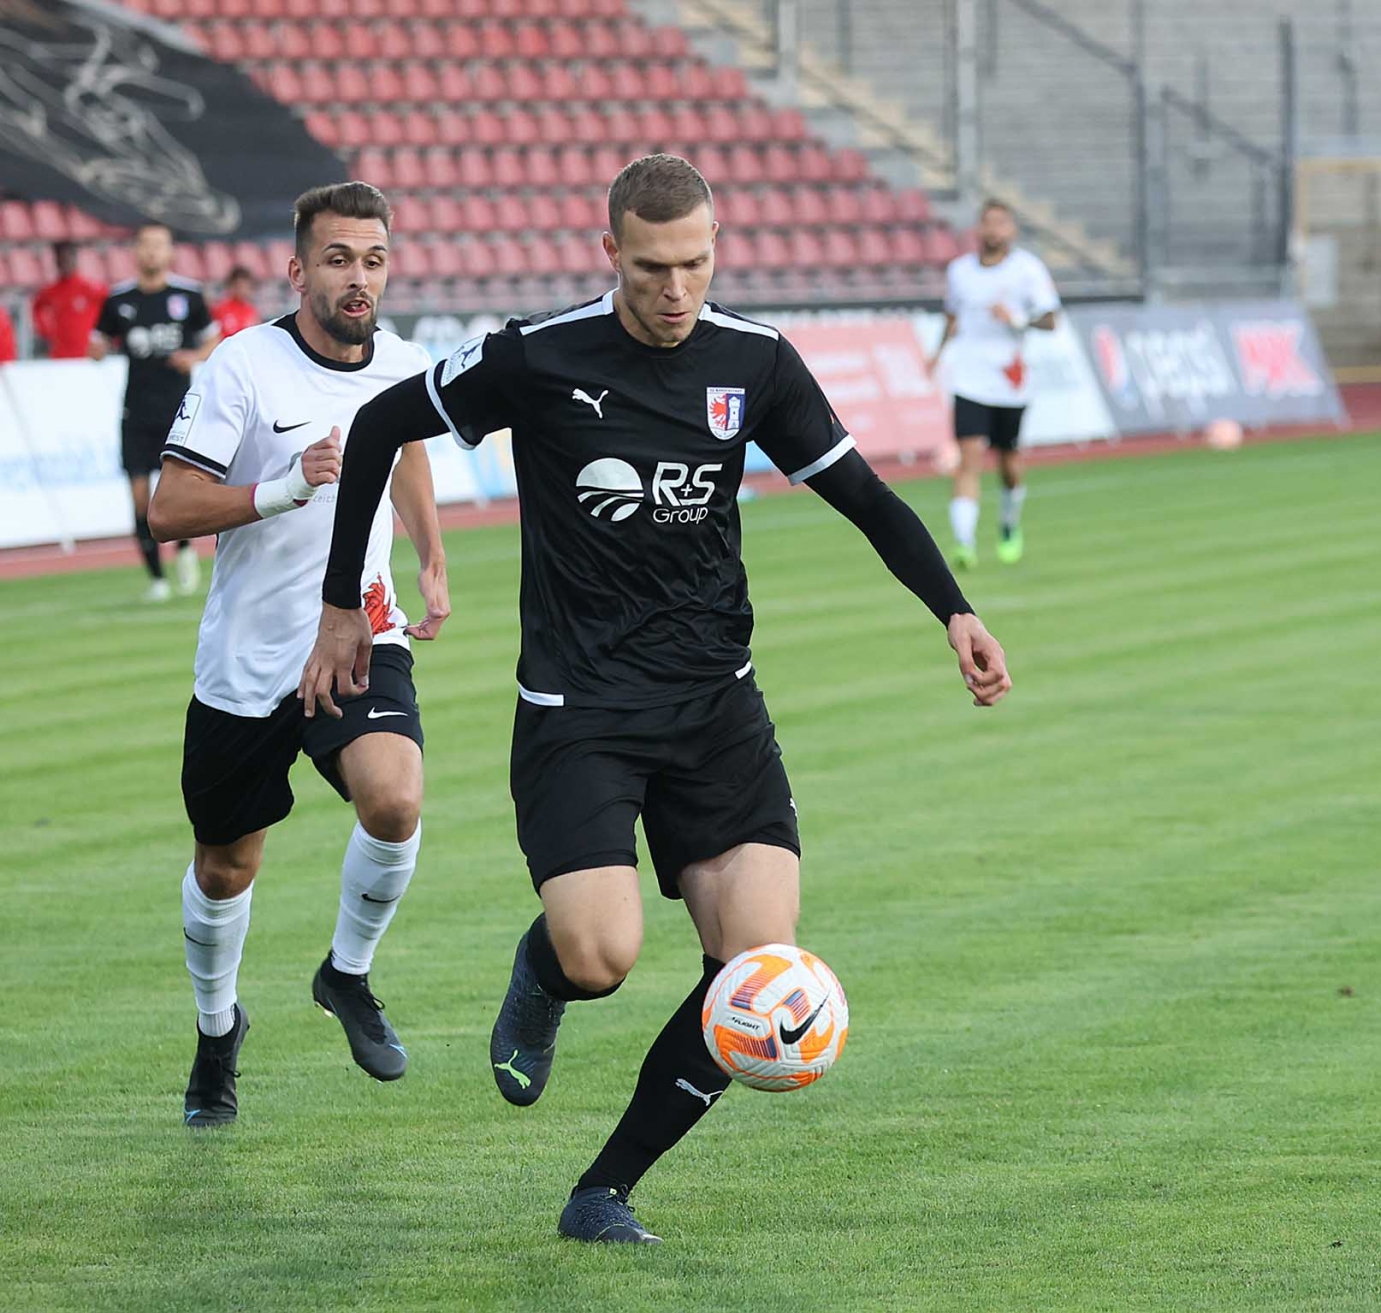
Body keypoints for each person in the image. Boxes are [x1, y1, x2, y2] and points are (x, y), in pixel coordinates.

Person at [300, 154, 1011, 1244]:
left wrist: (953, 610)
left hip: (716, 709)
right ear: (610, 255)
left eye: (695, 262)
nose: (676, 288)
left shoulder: (756, 361)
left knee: (761, 970)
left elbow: (863, 494)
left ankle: (604, 1190)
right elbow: (385, 424)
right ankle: (542, 974)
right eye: (652, 267)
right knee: (601, 955)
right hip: (578, 709)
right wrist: (344, 600)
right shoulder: (536, 355)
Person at [147, 182, 452, 1126]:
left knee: (395, 798)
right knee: (227, 867)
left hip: (359, 629)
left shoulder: (400, 363)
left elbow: (405, 448)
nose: (358, 278)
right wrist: (280, 488)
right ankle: (215, 1030)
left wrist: (431, 555)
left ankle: (346, 974)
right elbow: (167, 510)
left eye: (373, 259)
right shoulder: (241, 369)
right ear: (298, 270)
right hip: (249, 659)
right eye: (338, 259)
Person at [927, 199, 1061, 568]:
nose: (994, 230)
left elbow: (1052, 321)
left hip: (1010, 381)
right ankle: (964, 544)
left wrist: (1017, 319)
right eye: (988, 223)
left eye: (1001, 223)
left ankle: (1007, 523)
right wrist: (937, 353)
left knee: (1009, 464)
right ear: (978, 229)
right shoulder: (960, 272)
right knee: (968, 461)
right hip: (969, 380)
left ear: (1012, 230)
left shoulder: (1028, 271)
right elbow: (953, 317)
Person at [90, 224, 219, 601]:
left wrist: (193, 356)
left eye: (158, 245)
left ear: (170, 252)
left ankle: (182, 550)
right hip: (135, 410)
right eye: (145, 245)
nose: (151, 252)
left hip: (180, 410)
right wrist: (97, 350)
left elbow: (214, 338)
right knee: (138, 495)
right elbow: (96, 342)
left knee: (176, 489)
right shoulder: (119, 300)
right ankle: (157, 579)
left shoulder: (188, 295)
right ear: (135, 252)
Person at [31, 240, 107, 360]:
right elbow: (37, 307)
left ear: (74, 258)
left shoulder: (92, 288)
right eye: (60, 259)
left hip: (87, 355)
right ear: (56, 261)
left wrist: (103, 335)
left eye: (67, 258)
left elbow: (110, 310)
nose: (64, 263)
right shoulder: (50, 291)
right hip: (60, 355)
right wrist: (45, 331)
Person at [211, 265, 263, 339]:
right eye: (240, 286)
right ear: (232, 285)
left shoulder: (252, 311)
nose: (243, 290)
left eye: (246, 286)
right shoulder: (220, 309)